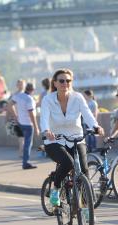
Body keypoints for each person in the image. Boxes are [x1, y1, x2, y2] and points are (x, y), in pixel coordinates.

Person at [40, 69, 104, 206]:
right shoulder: (48, 99)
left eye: (68, 81)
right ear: (55, 83)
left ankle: (86, 208)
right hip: (54, 140)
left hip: (76, 137)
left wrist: (96, 127)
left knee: (84, 171)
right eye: (61, 81)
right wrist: (46, 131)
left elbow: (87, 114)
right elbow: (44, 118)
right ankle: (56, 189)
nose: (65, 83)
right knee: (68, 163)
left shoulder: (78, 97)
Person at [7, 83, 40, 169]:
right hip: (28, 124)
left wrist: (15, 116)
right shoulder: (30, 99)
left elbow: (9, 104)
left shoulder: (19, 95)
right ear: (32, 90)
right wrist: (36, 127)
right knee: (28, 144)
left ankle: (25, 161)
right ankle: (25, 163)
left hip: (21, 122)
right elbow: (31, 114)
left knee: (24, 142)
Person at [7, 79, 26, 157]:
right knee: (21, 136)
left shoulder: (26, 95)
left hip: (26, 118)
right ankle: (21, 152)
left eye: (22, 84)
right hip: (18, 118)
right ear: (17, 85)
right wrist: (14, 116)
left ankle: (22, 151)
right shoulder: (14, 95)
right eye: (19, 84)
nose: (20, 85)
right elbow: (9, 106)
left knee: (23, 136)